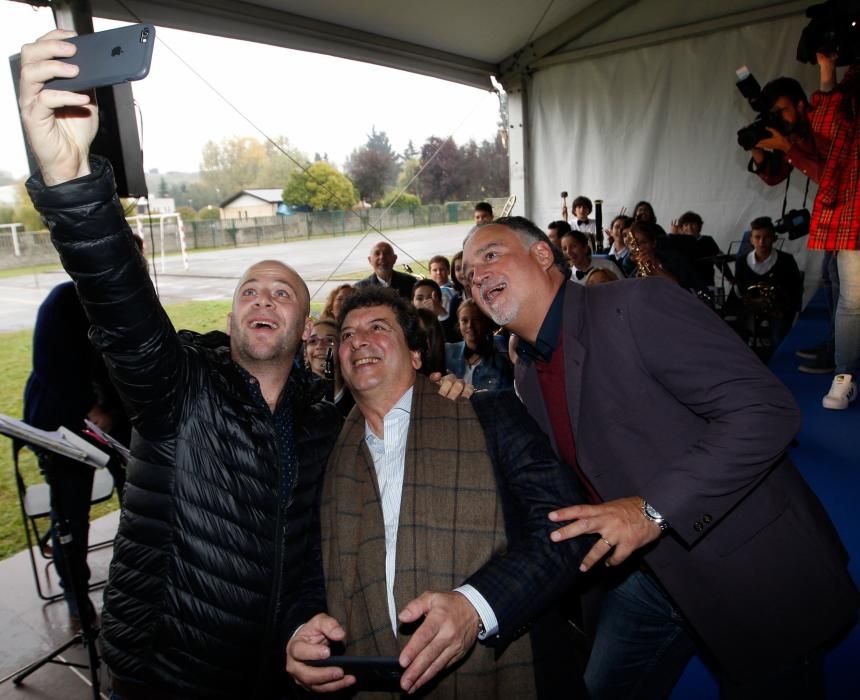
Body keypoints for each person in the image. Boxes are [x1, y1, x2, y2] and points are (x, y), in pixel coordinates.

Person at [19, 31, 340, 699]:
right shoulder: (182, 389)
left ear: (306, 329)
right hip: (166, 676)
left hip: (274, 675)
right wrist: (73, 183)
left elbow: (309, 546)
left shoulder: (320, 423)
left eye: (283, 293)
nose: (262, 298)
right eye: (250, 289)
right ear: (231, 319)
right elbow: (121, 310)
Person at [462, 216, 857, 699]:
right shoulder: (527, 372)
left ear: (543, 254)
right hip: (645, 578)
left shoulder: (637, 304)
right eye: (466, 273)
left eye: (489, 255)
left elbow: (767, 411)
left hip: (743, 565)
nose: (476, 275)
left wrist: (652, 509)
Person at [286, 287, 591, 698]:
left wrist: (475, 607)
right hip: (370, 677)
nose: (357, 340)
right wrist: (302, 627)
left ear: (416, 355)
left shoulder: (490, 416)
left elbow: (567, 530)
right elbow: (311, 571)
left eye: (377, 328)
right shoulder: (329, 453)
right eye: (346, 336)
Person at [750, 59, 859, 410]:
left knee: (850, 298)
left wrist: (787, 149)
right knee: (833, 283)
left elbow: (831, 173)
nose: (780, 118)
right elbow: (775, 175)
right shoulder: (796, 133)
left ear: (801, 105)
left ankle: (843, 365)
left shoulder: (825, 123)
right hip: (836, 219)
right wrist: (760, 151)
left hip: (847, 213)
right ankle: (834, 348)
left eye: (782, 110)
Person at [23, 280, 130, 623]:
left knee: (140, 494)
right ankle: (76, 595)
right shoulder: (62, 301)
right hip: (63, 420)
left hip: (115, 414)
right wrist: (91, 408)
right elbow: (49, 368)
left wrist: (111, 409)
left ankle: (144, 579)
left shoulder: (128, 296)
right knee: (72, 510)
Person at [732, 217, 803, 361]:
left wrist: (781, 308)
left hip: (778, 310)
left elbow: (795, 290)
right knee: (738, 337)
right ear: (751, 239)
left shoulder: (786, 260)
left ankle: (778, 368)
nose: (761, 242)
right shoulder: (741, 262)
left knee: (779, 340)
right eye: (757, 237)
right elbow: (741, 289)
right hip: (751, 309)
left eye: (766, 237)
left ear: (774, 238)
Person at [445, 299, 513, 391]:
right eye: (464, 320)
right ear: (458, 325)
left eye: (476, 320)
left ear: (486, 323)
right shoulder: (447, 351)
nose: (470, 325)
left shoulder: (500, 361)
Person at [304, 317, 354, 416]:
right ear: (305, 352)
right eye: (313, 341)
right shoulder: (294, 396)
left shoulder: (357, 398)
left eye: (330, 341)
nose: (320, 346)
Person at [412, 277, 458, 342]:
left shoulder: (448, 323)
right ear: (412, 302)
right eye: (419, 299)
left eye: (430, 298)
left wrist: (442, 313)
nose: (425, 302)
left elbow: (453, 342)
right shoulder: (408, 327)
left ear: (440, 301)